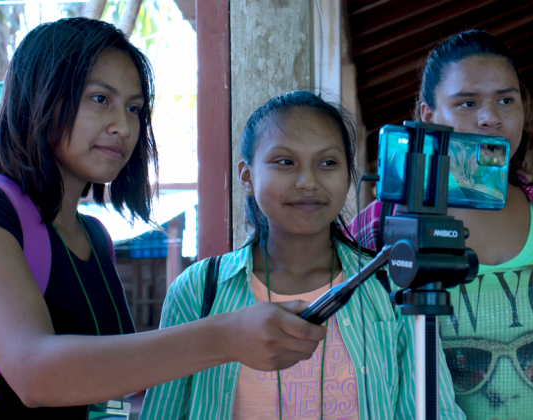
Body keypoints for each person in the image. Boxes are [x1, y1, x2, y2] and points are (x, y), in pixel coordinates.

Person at [0, 18, 326, 419]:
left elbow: (111, 394)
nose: (123, 126)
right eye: (100, 99)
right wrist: (225, 337)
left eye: (134, 108)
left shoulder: (94, 237)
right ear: (39, 96)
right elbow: (35, 373)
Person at [347, 30, 533, 420]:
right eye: (467, 103)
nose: (490, 118)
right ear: (427, 116)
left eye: (506, 100)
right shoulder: (384, 226)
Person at [140, 90, 466, 419]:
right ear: (247, 176)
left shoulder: (393, 285)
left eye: (327, 163)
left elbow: (432, 410)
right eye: (285, 162)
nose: (308, 181)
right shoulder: (198, 291)